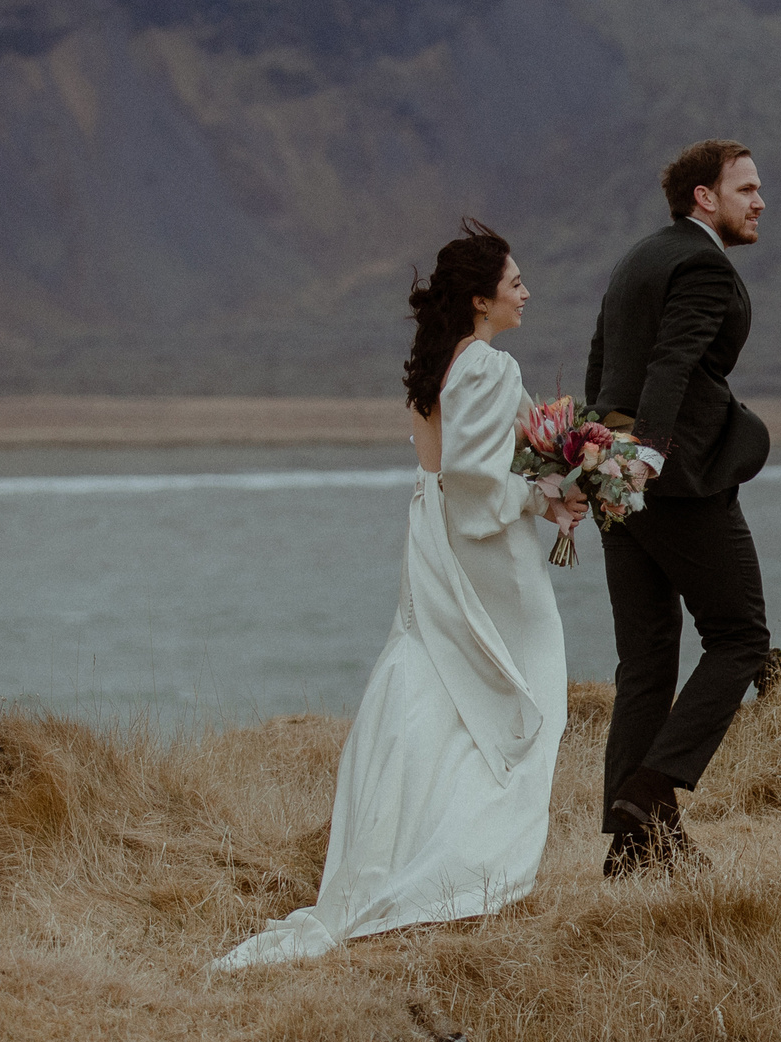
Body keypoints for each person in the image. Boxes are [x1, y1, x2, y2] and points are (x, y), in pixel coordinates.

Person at [211, 220, 581, 968]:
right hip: (483, 551)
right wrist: (543, 491)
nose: (526, 292)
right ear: (481, 299)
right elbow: (479, 481)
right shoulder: (490, 367)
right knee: (524, 685)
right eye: (515, 282)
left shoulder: (439, 363)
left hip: (435, 537)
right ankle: (470, 857)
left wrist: (545, 493)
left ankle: (400, 836)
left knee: (436, 680)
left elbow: (454, 469)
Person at [586, 140, 773, 876]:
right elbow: (669, 363)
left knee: (647, 660)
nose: (760, 202)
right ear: (705, 196)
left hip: (614, 478)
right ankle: (651, 789)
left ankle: (635, 848)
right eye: (747, 188)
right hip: (673, 482)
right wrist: (650, 456)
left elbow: (603, 359)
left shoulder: (637, 258)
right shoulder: (701, 265)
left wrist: (602, 459)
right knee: (740, 635)